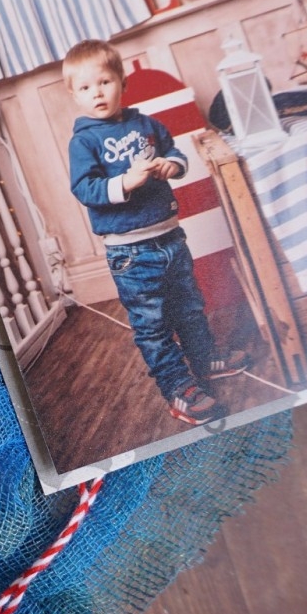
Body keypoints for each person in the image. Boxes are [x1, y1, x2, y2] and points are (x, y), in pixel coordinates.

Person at [63, 39, 249, 426]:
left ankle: (206, 359)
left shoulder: (145, 124)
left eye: (104, 82)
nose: (97, 92)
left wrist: (171, 166)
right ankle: (178, 387)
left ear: (122, 83)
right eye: (85, 87)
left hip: (170, 238)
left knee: (190, 307)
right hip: (131, 253)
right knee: (152, 325)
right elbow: (84, 189)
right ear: (74, 94)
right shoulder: (84, 141)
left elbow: (174, 151)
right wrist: (124, 183)